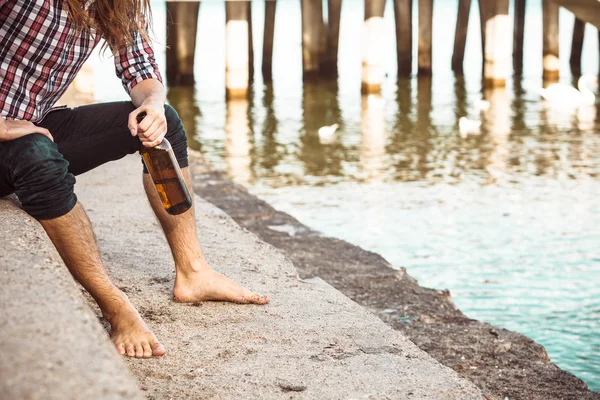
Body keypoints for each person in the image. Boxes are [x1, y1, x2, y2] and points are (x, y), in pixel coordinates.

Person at [0, 0, 269, 358]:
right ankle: (116, 308)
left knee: (162, 124)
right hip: (16, 134)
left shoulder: (115, 3)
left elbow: (140, 70)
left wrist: (153, 104)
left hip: (32, 124)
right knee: (37, 154)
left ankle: (192, 272)